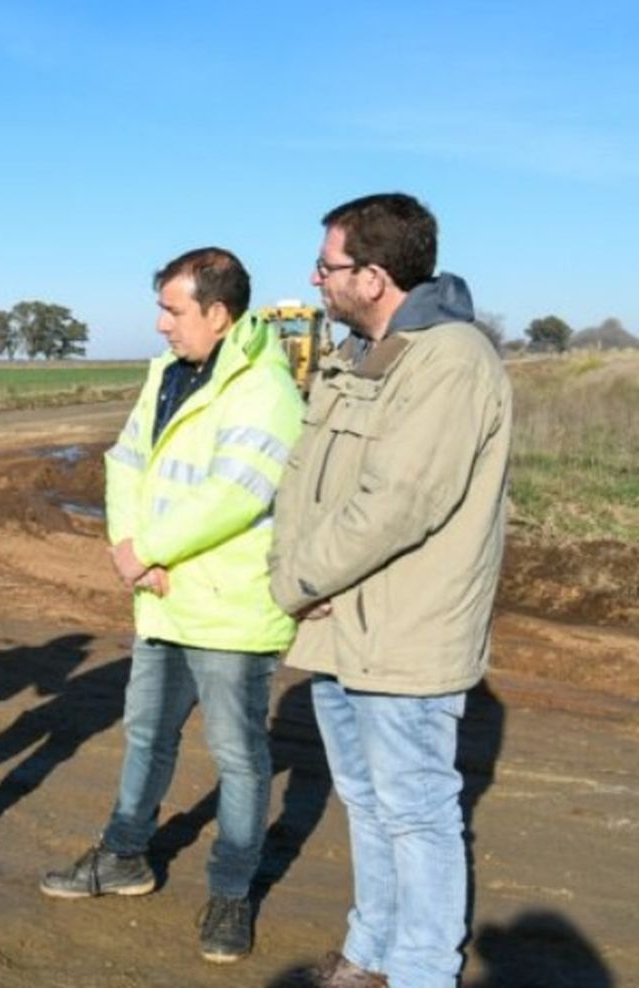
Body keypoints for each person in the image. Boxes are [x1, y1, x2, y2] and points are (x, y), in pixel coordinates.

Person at [270, 193, 512, 988]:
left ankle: (420, 971)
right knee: (368, 804)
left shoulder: (449, 360)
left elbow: (398, 502)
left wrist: (298, 579)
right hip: (341, 624)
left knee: (416, 812)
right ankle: (370, 949)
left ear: (374, 276)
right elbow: (316, 483)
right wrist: (309, 581)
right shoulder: (355, 355)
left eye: (329, 266)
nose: (316, 278)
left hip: (405, 630)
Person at [41, 248, 303, 964]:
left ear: (219, 315)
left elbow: (236, 493)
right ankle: (125, 856)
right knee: (146, 735)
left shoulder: (266, 391)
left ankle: (231, 892)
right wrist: (131, 546)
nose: (159, 326)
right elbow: (126, 458)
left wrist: (150, 548)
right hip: (161, 596)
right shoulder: (169, 373)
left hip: (227, 607)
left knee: (239, 758)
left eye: (173, 311)